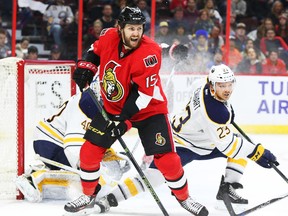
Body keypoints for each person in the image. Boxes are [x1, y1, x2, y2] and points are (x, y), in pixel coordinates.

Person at [64, 6, 208, 216]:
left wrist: (121, 121)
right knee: (88, 153)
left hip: (149, 111)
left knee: (168, 160)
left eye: (139, 28)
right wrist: (86, 68)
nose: (135, 33)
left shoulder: (149, 53)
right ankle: (88, 194)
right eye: (131, 28)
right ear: (119, 28)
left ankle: (184, 198)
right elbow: (94, 52)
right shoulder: (108, 36)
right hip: (113, 108)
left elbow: (143, 96)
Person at [95, 64, 279, 214]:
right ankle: (111, 198)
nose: (227, 89)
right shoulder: (215, 111)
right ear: (213, 85)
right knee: (153, 179)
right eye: (222, 86)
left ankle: (227, 191)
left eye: (229, 84)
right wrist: (258, 152)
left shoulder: (202, 85)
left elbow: (197, 92)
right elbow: (228, 146)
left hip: (201, 140)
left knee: (241, 144)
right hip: (181, 144)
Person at [15, 77, 130, 204]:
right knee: (86, 177)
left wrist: (111, 157)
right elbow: (72, 147)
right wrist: (88, 170)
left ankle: (43, 170)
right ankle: (33, 177)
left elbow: (92, 139)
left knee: (90, 173)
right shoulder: (85, 106)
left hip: (55, 140)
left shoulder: (92, 103)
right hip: (50, 142)